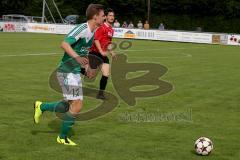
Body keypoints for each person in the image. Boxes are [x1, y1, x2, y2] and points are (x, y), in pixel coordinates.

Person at [33, 4, 105, 146]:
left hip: (74, 72)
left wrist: (87, 67)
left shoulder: (92, 32)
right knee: (77, 105)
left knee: (68, 106)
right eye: (103, 15)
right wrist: (78, 58)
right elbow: (64, 44)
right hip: (67, 71)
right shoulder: (83, 28)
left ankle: (41, 107)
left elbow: (83, 53)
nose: (104, 18)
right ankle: (62, 137)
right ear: (95, 16)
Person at [89, 8, 116, 99]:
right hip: (95, 53)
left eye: (113, 15)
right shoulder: (101, 27)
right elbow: (96, 40)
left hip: (103, 54)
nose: (112, 17)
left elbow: (108, 43)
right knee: (90, 75)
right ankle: (78, 69)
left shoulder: (111, 30)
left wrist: (112, 52)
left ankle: (100, 94)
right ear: (105, 17)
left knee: (106, 74)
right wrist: (101, 51)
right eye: (110, 15)